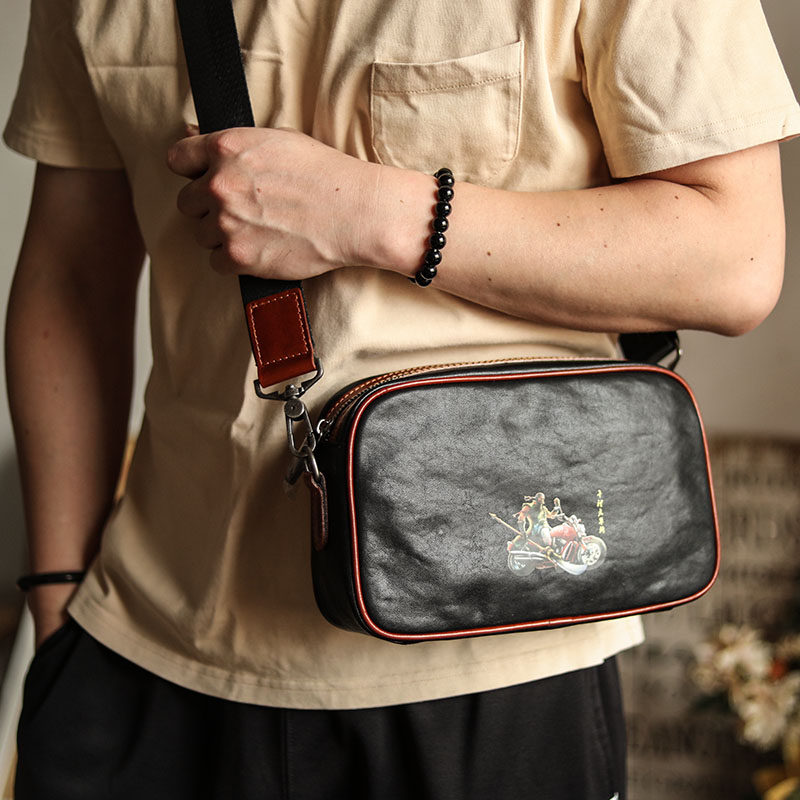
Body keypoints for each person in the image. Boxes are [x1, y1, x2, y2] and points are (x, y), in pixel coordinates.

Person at [4, 1, 799, 798]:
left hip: (495, 661)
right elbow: (72, 274)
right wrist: (55, 596)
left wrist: (366, 212)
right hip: (143, 647)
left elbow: (737, 258)